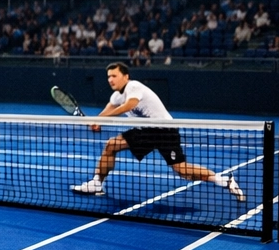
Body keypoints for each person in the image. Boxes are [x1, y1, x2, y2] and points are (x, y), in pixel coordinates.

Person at [71, 61, 245, 202]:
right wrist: (97, 120)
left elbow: (129, 105)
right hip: (146, 130)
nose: (110, 79)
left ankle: (224, 181)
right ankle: (97, 183)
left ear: (126, 76)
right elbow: (108, 109)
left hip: (164, 130)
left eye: (114, 76)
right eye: (108, 76)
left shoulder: (133, 87)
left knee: (182, 170)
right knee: (111, 145)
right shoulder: (116, 96)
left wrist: (101, 119)